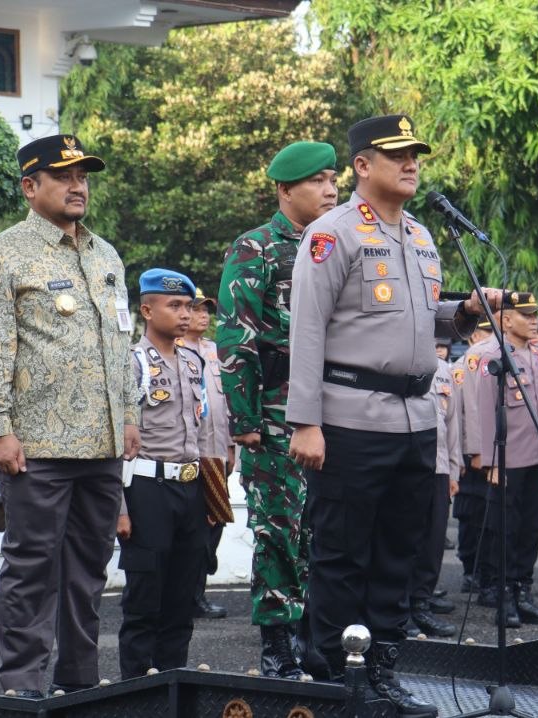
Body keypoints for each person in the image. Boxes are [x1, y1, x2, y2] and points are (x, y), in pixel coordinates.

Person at [287, 114, 494, 717]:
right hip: (350, 417)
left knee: (399, 554)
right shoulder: (332, 234)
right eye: (397, 154)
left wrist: (465, 313)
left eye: (416, 155)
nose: (411, 164)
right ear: (361, 165)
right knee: (343, 553)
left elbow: (418, 321)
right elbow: (307, 330)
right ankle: (331, 673)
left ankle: (381, 670)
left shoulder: (423, 237)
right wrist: (305, 422)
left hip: (414, 416)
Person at [0, 134, 138, 698]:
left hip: (103, 443)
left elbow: (121, 341)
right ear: (30, 186)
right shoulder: (5, 253)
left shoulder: (105, 253)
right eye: (64, 176)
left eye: (83, 175)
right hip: (37, 446)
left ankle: (78, 680)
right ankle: (22, 685)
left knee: (89, 571)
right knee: (32, 569)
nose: (77, 185)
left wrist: (131, 413)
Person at [217, 141, 337, 678]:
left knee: (326, 531)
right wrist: (245, 423)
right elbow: (237, 338)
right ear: (286, 190)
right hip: (276, 417)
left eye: (334, 178)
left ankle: (321, 638)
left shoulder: (336, 245)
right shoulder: (257, 248)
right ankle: (278, 646)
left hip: (337, 414)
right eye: (318, 180)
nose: (331, 189)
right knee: (279, 530)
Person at [115, 269, 213, 678]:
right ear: (147, 310)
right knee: (144, 597)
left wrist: (212, 497)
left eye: (188, 306)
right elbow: (118, 443)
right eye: (174, 306)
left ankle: (173, 685)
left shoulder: (193, 361)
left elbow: (203, 433)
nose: (185, 314)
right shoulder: (132, 362)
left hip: (190, 490)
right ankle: (136, 690)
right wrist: (119, 509)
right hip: (147, 488)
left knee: (182, 597)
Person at [472, 292, 538, 628]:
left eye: (536, 314)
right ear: (506, 320)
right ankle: (504, 596)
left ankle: (524, 593)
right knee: (505, 529)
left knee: (530, 529)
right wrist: (491, 460)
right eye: (525, 315)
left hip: (537, 459)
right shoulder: (494, 358)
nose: (534, 320)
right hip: (507, 458)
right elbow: (484, 409)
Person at [407, 336, 463, 638]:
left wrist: (454, 470)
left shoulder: (443, 370)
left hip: (439, 467)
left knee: (432, 542)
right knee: (404, 540)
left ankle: (421, 604)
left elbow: (452, 425)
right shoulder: (397, 363)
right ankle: (399, 608)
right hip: (406, 466)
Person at [185, 287, 233, 619]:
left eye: (206, 310)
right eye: (196, 309)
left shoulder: (216, 352)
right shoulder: (171, 350)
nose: (203, 315)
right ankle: (187, 595)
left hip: (218, 453)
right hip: (188, 453)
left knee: (214, 523)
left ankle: (197, 589)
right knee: (192, 526)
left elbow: (226, 402)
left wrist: (232, 448)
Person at [454, 318, 496, 593]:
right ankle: (470, 567)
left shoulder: (494, 364)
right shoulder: (463, 367)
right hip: (472, 450)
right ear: (475, 335)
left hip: (494, 446)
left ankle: (486, 568)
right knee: (472, 511)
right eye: (488, 333)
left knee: (489, 513)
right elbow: (460, 415)